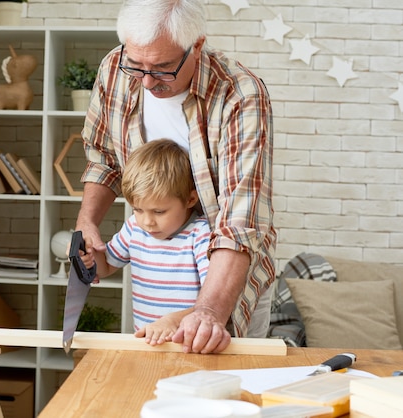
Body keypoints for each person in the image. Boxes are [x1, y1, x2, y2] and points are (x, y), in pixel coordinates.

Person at [76, 0, 276, 354]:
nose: (148, 81)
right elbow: (104, 158)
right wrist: (87, 223)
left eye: (164, 67)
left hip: (227, 276)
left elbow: (239, 222)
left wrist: (208, 311)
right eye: (136, 66)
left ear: (196, 45)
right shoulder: (115, 67)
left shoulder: (240, 94)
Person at [80, 139, 211, 346]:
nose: (148, 222)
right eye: (138, 209)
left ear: (190, 200)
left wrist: (171, 321)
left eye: (159, 212)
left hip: (189, 345)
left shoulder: (200, 234)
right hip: (147, 343)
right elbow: (105, 267)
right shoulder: (134, 228)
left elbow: (212, 302)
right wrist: (90, 257)